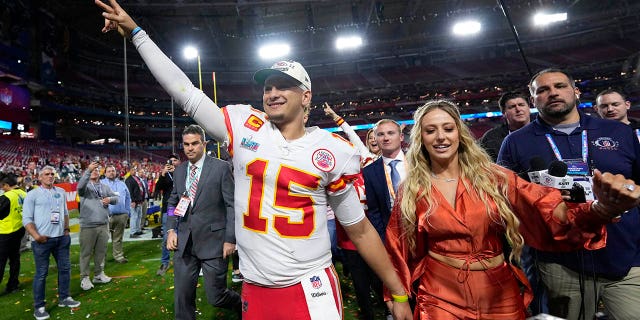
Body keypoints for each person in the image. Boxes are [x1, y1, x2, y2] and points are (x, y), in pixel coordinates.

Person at [96, 1, 413, 319]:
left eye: (284, 86)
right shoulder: (244, 124)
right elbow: (187, 93)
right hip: (255, 288)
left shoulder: (331, 149)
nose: (273, 92)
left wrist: (397, 291)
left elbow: (358, 230)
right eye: (268, 86)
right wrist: (138, 35)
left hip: (310, 285)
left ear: (306, 96)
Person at [386, 99, 640, 320]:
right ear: (421, 138)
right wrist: (397, 298)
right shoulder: (411, 189)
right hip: (439, 293)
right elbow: (397, 247)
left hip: (499, 291)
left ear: (459, 134)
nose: (441, 137)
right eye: (431, 131)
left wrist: (600, 209)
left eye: (448, 128)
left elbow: (547, 208)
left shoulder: (494, 178)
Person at [498, 69, 640, 320]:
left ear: (575, 91)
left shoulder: (618, 132)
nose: (552, 93)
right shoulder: (516, 142)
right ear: (534, 100)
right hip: (559, 264)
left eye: (560, 86)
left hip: (626, 257)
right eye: (542, 90)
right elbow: (506, 200)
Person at [165, 124, 240, 319]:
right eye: (186, 144)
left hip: (214, 243)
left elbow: (232, 205)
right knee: (182, 298)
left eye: (195, 143)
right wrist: (171, 230)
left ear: (204, 144)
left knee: (216, 297)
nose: (190, 148)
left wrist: (230, 239)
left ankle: (241, 304)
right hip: (184, 244)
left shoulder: (221, 168)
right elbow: (174, 201)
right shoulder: (180, 171)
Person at [23, 166, 81, 320]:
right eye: (46, 174)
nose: (50, 176)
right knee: (41, 273)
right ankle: (39, 307)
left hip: (61, 238)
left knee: (65, 268)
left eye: (52, 174)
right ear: (40, 177)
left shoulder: (61, 192)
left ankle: (64, 298)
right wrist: (36, 236)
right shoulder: (32, 194)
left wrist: (67, 230)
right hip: (43, 240)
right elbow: (27, 219)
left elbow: (66, 213)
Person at [77, 162, 117, 291]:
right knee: (86, 253)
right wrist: (87, 171)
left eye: (97, 169)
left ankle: (99, 274)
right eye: (93, 170)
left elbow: (116, 198)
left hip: (103, 224)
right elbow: (79, 187)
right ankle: (84, 277)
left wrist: (109, 200)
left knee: (101, 251)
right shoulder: (85, 187)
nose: (95, 171)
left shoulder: (104, 187)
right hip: (88, 225)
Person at [479, 91, 531, 162]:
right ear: (504, 113)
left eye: (521, 105)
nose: (518, 109)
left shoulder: (545, 130)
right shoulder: (491, 138)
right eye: (512, 107)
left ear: (529, 108)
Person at [153, 154, 180, 276]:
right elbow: (158, 188)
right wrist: (163, 174)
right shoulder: (165, 175)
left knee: (183, 234)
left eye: (175, 160)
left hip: (183, 208)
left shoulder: (183, 172)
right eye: (171, 161)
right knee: (167, 235)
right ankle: (165, 261)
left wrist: (176, 173)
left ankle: (180, 260)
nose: (173, 162)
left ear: (179, 162)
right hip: (170, 209)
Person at [0, 173, 26, 294]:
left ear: (6, 185)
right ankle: (13, 284)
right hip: (19, 229)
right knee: (15, 259)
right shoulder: (24, 194)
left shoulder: (7, 196)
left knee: (1, 261)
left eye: (2, 186)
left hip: (6, 231)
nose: (2, 188)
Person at [101, 164, 131, 263]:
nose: (111, 173)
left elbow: (127, 198)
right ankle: (101, 259)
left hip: (121, 215)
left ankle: (118, 256)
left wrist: (127, 212)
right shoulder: (101, 184)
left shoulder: (122, 183)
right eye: (109, 171)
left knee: (118, 238)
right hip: (106, 216)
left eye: (113, 171)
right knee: (103, 239)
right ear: (105, 173)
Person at [125, 165, 144, 238]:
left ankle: (138, 230)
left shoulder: (136, 178)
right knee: (134, 216)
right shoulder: (128, 180)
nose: (134, 171)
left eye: (135, 169)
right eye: (133, 170)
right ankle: (132, 232)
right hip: (134, 201)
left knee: (139, 216)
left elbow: (140, 189)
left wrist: (141, 199)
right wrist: (132, 201)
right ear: (129, 171)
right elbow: (129, 191)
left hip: (139, 200)